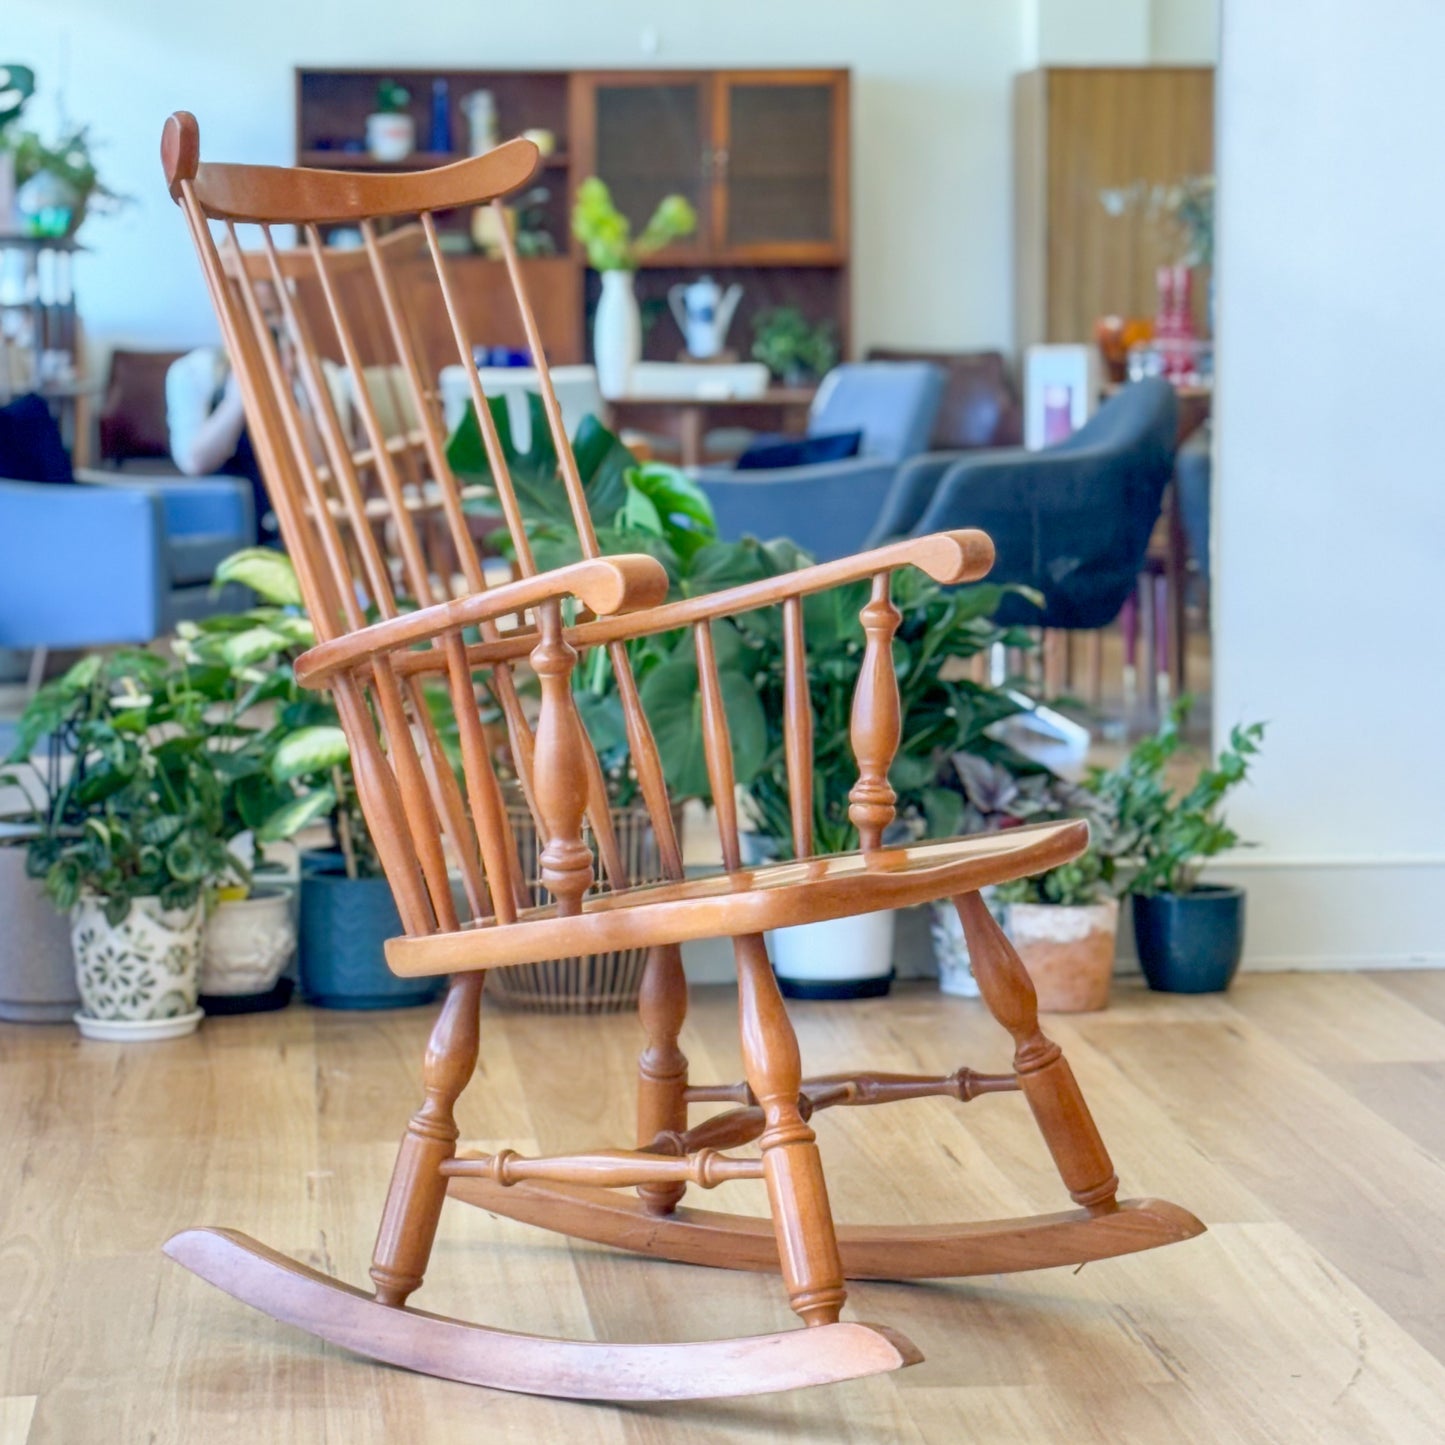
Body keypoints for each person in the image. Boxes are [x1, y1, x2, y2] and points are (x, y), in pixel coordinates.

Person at [165, 346, 276, 542]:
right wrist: (238, 400)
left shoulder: (319, 375)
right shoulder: (194, 371)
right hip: (223, 522)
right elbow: (194, 462)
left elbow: (323, 465)